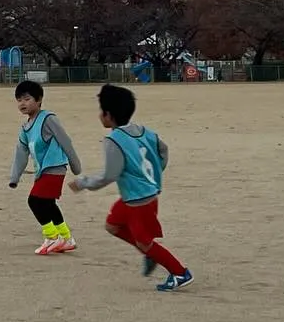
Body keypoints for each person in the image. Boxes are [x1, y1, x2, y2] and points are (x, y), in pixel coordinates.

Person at [68, 83, 193, 292]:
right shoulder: (144, 131)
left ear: (109, 115)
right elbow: (163, 150)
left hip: (139, 201)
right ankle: (149, 253)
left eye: (101, 111)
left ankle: (180, 272)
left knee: (145, 242)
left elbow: (110, 175)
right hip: (135, 196)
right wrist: (153, 172)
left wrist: (83, 183)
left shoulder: (114, 139)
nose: (99, 115)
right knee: (112, 226)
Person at [8, 80, 83, 255]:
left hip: (55, 168)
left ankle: (52, 237)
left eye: (27, 99)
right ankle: (66, 238)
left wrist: (75, 165)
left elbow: (65, 141)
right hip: (43, 171)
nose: (22, 104)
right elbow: (21, 152)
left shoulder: (48, 119)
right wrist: (14, 177)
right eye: (19, 100)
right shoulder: (25, 128)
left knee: (34, 201)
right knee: (48, 203)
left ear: (39, 99)